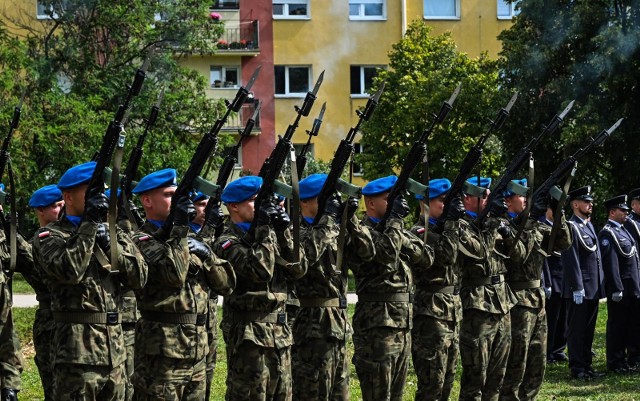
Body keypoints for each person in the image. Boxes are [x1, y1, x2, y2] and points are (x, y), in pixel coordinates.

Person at [32, 161, 148, 400]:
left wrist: (112, 244)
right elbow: (69, 270)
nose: (100, 198)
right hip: (76, 355)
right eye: (90, 192)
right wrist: (90, 225)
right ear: (68, 197)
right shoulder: (50, 236)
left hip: (115, 353)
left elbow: (140, 277)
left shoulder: (113, 231)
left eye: (100, 191)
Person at [130, 168, 234, 400]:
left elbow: (226, 285)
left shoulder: (189, 238)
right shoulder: (140, 240)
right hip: (163, 354)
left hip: (197, 350)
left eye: (177, 194)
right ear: (147, 200)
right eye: (168, 195)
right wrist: (179, 228)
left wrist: (208, 256)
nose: (176, 200)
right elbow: (173, 274)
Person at [212, 176, 306, 401]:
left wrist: (283, 232)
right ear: (234, 206)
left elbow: (300, 269)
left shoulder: (271, 237)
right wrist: (264, 228)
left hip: (280, 335)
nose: (264, 207)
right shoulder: (227, 242)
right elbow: (258, 271)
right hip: (249, 337)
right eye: (255, 201)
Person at [293, 173, 375, 401]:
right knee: (312, 393)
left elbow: (367, 253)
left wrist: (351, 220)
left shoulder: (335, 229)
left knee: (340, 394)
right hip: (311, 327)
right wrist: (328, 218)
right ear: (305, 202)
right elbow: (304, 260)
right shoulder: (294, 231)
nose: (330, 204)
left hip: (338, 326)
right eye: (323, 198)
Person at [352, 175, 434, 401]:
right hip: (377, 327)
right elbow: (386, 256)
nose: (396, 205)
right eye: (390, 199)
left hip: (402, 324)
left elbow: (427, 258)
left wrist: (400, 235)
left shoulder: (395, 231)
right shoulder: (361, 233)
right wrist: (396, 222)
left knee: (396, 395)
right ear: (371, 203)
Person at [500, 180, 572, 401]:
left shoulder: (535, 225)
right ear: (508, 200)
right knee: (515, 362)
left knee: (537, 361)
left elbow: (563, 242)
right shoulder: (501, 226)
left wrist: (557, 210)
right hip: (515, 300)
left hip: (536, 299)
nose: (526, 200)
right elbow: (517, 255)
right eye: (522, 196)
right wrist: (530, 220)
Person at [457, 177, 519, 401]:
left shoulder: (493, 222)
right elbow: (480, 253)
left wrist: (503, 222)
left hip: (502, 301)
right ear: (467, 198)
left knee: (497, 376)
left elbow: (517, 254)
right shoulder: (461, 225)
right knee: (476, 378)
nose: (488, 200)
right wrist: (493, 222)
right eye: (483, 196)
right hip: (478, 307)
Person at [410, 178, 465, 401]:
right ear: (425, 203)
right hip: (431, 313)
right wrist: (451, 223)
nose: (447, 206)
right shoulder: (419, 232)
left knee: (448, 380)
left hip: (452, 311)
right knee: (432, 382)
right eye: (442, 201)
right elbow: (446, 257)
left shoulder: (448, 228)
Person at [561, 185, 605, 379]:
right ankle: (577, 367)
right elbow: (571, 259)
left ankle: (587, 365)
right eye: (586, 202)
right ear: (575, 204)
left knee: (588, 329)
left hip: (592, 286)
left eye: (591, 202)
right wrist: (577, 286)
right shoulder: (571, 226)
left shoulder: (588, 225)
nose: (590, 205)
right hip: (579, 287)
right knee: (577, 329)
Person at [27, 184, 64, 400]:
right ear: (41, 210)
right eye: (57, 206)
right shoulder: (41, 241)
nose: (62, 210)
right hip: (49, 321)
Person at [598, 195, 640, 374]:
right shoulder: (608, 232)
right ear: (612, 212)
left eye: (626, 210)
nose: (626, 213)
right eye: (622, 210)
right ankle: (615, 361)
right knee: (617, 326)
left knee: (631, 325)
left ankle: (630, 359)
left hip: (632, 287)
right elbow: (611, 263)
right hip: (621, 288)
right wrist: (616, 287)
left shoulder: (624, 230)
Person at [542, 191, 569, 364]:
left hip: (563, 277)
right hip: (551, 277)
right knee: (551, 318)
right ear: (548, 210)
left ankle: (559, 348)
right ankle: (548, 351)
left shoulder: (561, 227)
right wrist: (547, 282)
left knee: (563, 318)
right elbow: (543, 257)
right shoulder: (541, 225)